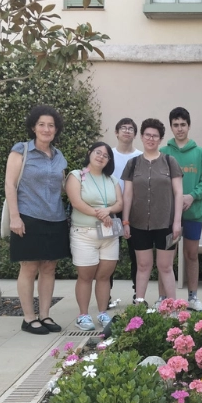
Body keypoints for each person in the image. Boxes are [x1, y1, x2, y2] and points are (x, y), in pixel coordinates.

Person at [4, 105, 69, 335]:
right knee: (29, 267)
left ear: (56, 129)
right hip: (28, 217)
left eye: (51, 125)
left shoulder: (59, 155)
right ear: (33, 127)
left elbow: (63, 187)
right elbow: (10, 185)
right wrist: (15, 217)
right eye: (41, 124)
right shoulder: (21, 151)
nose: (46, 129)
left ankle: (45, 315)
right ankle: (29, 318)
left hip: (56, 218)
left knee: (49, 267)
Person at [121, 118, 184, 304]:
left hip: (166, 223)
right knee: (143, 265)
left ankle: (173, 309)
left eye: (155, 136)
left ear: (161, 139)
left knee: (165, 266)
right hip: (138, 223)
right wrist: (125, 221)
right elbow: (127, 195)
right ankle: (139, 305)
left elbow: (179, 193)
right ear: (141, 137)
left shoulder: (169, 161)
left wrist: (177, 222)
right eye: (147, 135)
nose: (151, 138)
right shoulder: (132, 164)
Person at [65, 142, 123, 331]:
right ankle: (83, 315)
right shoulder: (76, 176)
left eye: (106, 155)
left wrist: (109, 210)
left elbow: (120, 203)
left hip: (109, 234)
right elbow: (76, 202)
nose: (101, 157)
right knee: (85, 277)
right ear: (90, 153)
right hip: (84, 233)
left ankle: (102, 313)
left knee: (105, 276)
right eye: (98, 152)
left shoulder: (111, 179)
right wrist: (100, 214)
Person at [160, 107, 202, 310]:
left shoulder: (199, 153)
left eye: (183, 124)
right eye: (175, 125)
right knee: (166, 257)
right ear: (171, 127)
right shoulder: (164, 153)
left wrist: (192, 196)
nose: (180, 128)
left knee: (192, 255)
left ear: (189, 126)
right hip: (168, 215)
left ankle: (192, 297)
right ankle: (163, 299)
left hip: (193, 214)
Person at [112, 118, 142, 299]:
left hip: (135, 210)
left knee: (137, 255)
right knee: (109, 255)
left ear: (135, 134)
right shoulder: (108, 154)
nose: (127, 131)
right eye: (123, 128)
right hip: (112, 211)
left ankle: (138, 294)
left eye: (131, 128)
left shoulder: (140, 156)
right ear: (116, 132)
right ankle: (104, 295)